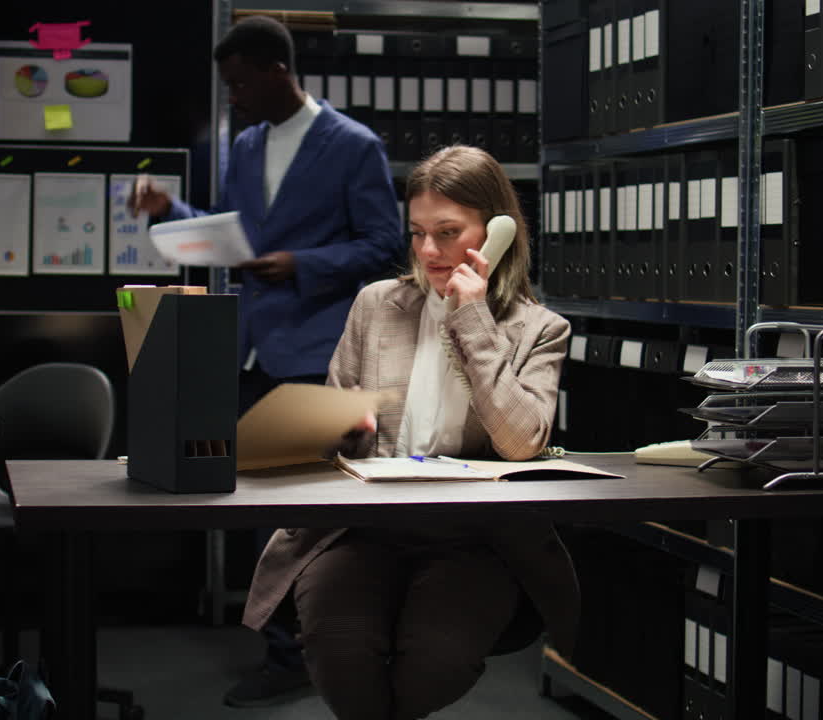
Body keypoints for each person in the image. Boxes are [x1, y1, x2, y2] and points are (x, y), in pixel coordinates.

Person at [240, 145, 580, 720]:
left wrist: (471, 316)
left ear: (497, 230)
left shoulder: (538, 329)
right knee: (339, 655)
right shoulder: (377, 305)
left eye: (448, 232)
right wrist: (337, 421)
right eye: (418, 232)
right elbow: (328, 436)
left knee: (435, 663)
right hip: (363, 527)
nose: (428, 250)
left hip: (473, 537)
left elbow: (522, 441)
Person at [129, 15, 404, 708]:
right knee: (254, 498)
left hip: (318, 351)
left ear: (278, 71)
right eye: (229, 87)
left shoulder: (353, 145)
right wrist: (174, 210)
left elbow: (382, 245)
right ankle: (297, 647)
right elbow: (233, 235)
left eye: (242, 83)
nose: (234, 99)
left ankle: (299, 654)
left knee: (290, 509)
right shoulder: (245, 145)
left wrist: (302, 263)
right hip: (250, 345)